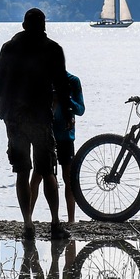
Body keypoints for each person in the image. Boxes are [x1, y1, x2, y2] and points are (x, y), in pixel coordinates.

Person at [0, 8, 72, 240]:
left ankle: (28, 225)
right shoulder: (53, 50)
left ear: (24, 24)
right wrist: (66, 113)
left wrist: (4, 112)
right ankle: (55, 223)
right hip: (40, 118)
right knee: (47, 171)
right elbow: (62, 86)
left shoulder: (9, 49)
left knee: (22, 171)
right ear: (43, 25)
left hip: (15, 118)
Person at [30, 71, 85, 223]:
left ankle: (71, 220)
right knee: (37, 176)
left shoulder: (73, 81)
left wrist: (65, 100)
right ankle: (28, 219)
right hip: (45, 135)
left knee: (68, 178)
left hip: (66, 137)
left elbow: (80, 109)